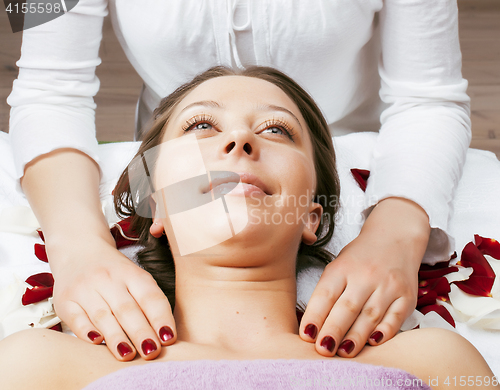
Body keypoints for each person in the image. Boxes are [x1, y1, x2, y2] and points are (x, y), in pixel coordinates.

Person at [7, 0, 470, 360]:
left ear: (317, 216)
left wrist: (394, 238)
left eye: (274, 130)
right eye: (203, 127)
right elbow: (47, 91)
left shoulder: (430, 362)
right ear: (157, 208)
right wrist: (77, 250)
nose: (240, 140)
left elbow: (430, 96)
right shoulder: (39, 363)